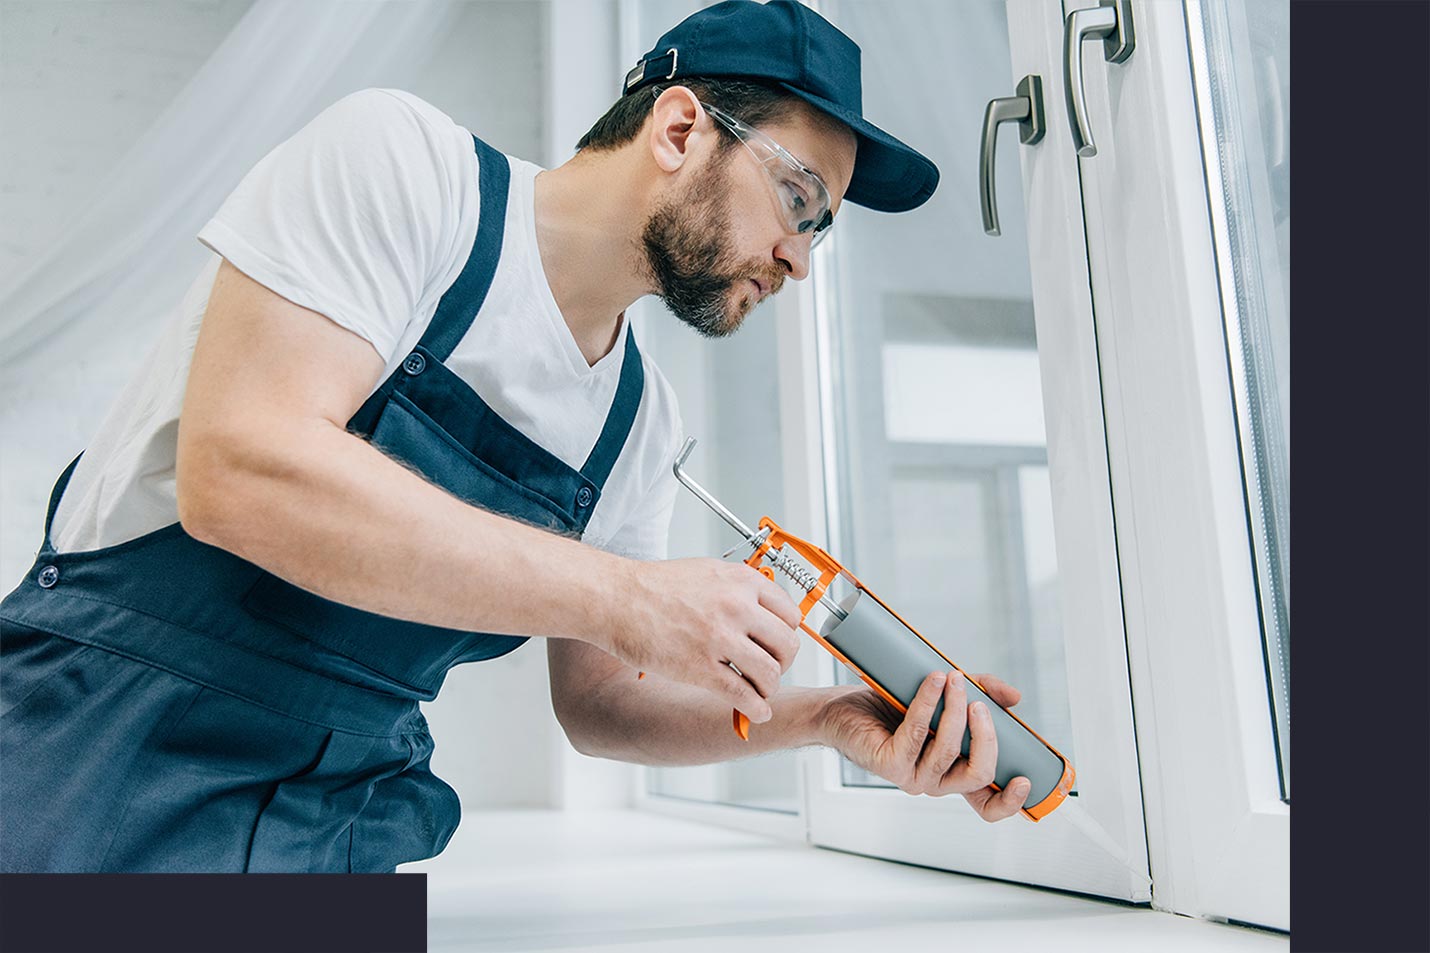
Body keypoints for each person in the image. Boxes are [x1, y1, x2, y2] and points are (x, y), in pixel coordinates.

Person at [0, 0, 1032, 873]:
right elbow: (238, 471)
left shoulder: (638, 414)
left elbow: (599, 703)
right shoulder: (403, 170)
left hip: (337, 818)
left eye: (820, 229)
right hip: (99, 753)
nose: (798, 261)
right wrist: (627, 595)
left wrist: (821, 716)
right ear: (678, 130)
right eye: (796, 200)